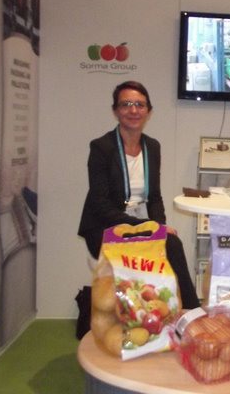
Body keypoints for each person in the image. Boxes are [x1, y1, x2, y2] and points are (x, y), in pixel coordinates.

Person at [78, 80, 199, 308]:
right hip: (105, 227)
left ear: (148, 111)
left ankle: (177, 312)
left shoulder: (152, 147)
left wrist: (158, 226)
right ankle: (192, 312)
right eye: (126, 104)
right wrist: (145, 226)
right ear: (116, 111)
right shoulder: (101, 147)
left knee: (170, 242)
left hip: (140, 223)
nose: (133, 110)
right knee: (172, 246)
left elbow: (155, 197)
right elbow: (100, 204)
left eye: (140, 105)